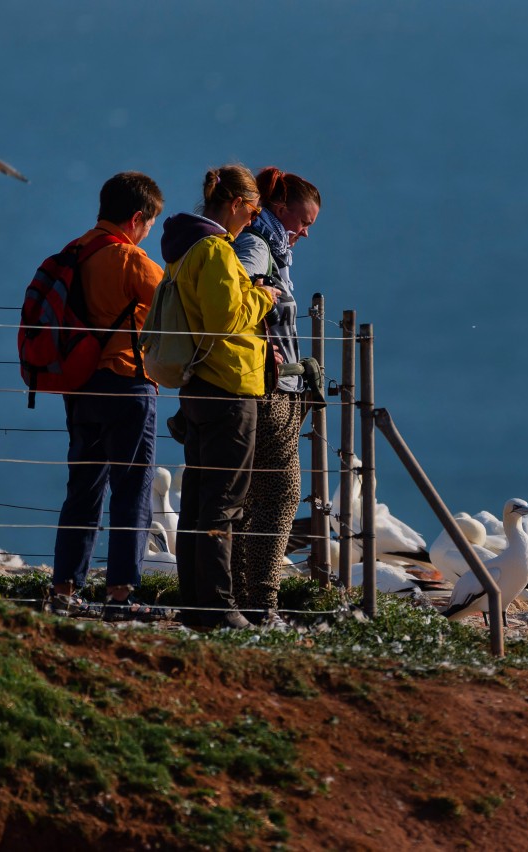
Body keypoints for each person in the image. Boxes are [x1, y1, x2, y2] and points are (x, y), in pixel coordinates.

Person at [160, 164, 275, 629]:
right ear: (234, 205)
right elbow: (227, 318)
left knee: (198, 501)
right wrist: (263, 295)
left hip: (200, 386)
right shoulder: (214, 250)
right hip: (228, 385)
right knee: (224, 503)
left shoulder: (184, 249)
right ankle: (219, 607)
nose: (251, 221)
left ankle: (197, 602)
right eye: (251, 211)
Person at [51, 171, 166, 621]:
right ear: (137, 218)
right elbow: (174, 307)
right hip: (127, 383)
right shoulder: (130, 259)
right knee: (133, 486)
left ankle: (64, 586)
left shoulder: (74, 252)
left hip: (80, 386)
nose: (148, 233)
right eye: (150, 225)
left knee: (83, 487)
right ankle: (120, 594)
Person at [230, 167, 321, 621]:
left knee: (248, 498)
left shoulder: (271, 247)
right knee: (280, 495)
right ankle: (262, 606)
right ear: (278, 208)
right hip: (268, 388)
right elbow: (231, 298)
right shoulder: (256, 245)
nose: (305, 233)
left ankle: (239, 598)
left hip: (266, 386)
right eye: (302, 221)